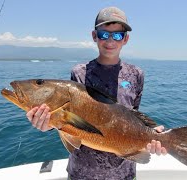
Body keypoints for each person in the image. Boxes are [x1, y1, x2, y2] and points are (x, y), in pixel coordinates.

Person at [26, 6, 167, 180]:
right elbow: (71, 122)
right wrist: (47, 124)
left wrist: (152, 132)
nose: (110, 41)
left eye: (117, 35)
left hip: (124, 173)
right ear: (94, 36)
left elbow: (132, 115)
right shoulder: (79, 72)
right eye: (103, 34)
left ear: (126, 39)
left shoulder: (136, 75)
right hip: (81, 173)